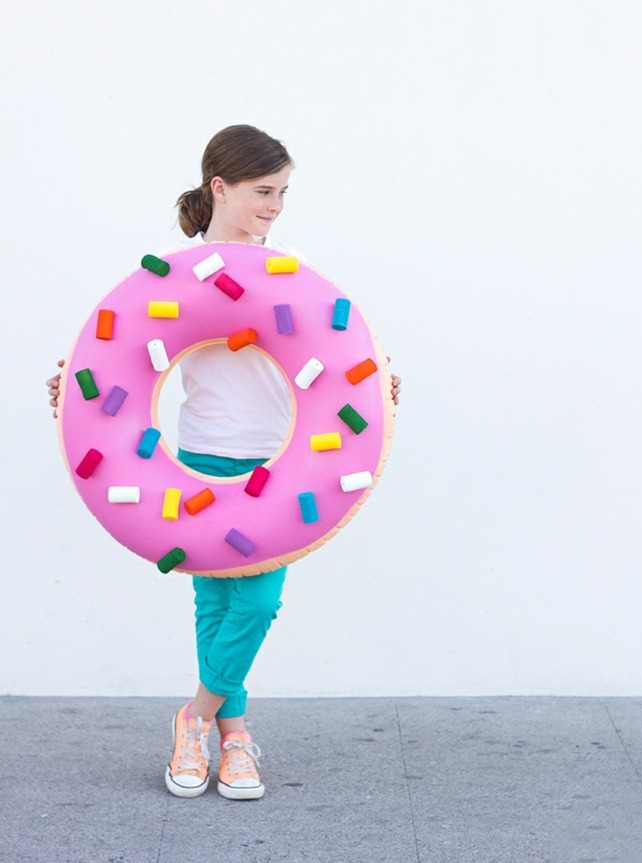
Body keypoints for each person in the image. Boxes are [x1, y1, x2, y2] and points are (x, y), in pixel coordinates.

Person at [46, 124, 401, 801]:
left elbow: (346, 365)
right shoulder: (167, 273)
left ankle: (194, 718)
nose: (276, 205)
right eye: (264, 191)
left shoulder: (289, 271)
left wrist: (379, 390)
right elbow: (109, 363)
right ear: (220, 187)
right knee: (214, 603)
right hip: (200, 454)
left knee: (258, 600)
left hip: (284, 460)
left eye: (283, 192)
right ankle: (235, 741)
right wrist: (71, 393)